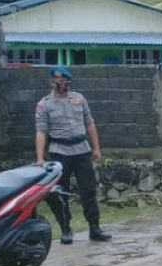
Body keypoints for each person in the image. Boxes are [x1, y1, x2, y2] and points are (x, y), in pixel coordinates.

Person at [34, 66, 111, 243]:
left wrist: (96, 148)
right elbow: (41, 131)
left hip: (82, 150)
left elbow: (90, 124)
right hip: (59, 152)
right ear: (51, 82)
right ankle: (66, 229)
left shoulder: (79, 99)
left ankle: (95, 228)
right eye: (60, 80)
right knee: (60, 192)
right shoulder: (44, 104)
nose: (63, 84)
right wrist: (40, 158)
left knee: (88, 191)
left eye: (66, 81)